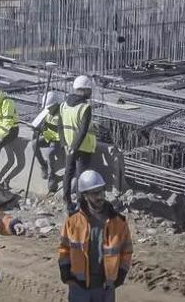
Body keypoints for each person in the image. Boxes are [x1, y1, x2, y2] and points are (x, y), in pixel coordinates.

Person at [59, 170, 133, 302]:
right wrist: (65, 272)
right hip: (79, 287)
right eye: (95, 193)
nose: (100, 196)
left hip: (105, 289)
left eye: (102, 191)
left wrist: (121, 273)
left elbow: (127, 250)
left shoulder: (118, 221)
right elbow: (64, 248)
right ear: (85, 195)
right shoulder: (73, 220)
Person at [62, 76, 98, 214]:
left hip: (69, 145)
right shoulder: (85, 107)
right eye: (89, 90)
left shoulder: (64, 105)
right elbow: (83, 131)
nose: (90, 93)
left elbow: (61, 126)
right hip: (82, 147)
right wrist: (75, 146)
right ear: (83, 90)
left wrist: (66, 144)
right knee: (81, 176)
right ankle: (79, 204)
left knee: (68, 172)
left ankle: (66, 201)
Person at [30, 91, 65, 193]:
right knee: (34, 144)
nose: (48, 109)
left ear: (56, 105)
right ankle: (43, 165)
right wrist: (37, 129)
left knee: (49, 153)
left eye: (50, 107)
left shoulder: (62, 114)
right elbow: (44, 127)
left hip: (58, 140)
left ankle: (52, 176)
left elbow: (62, 132)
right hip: (48, 136)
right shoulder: (47, 112)